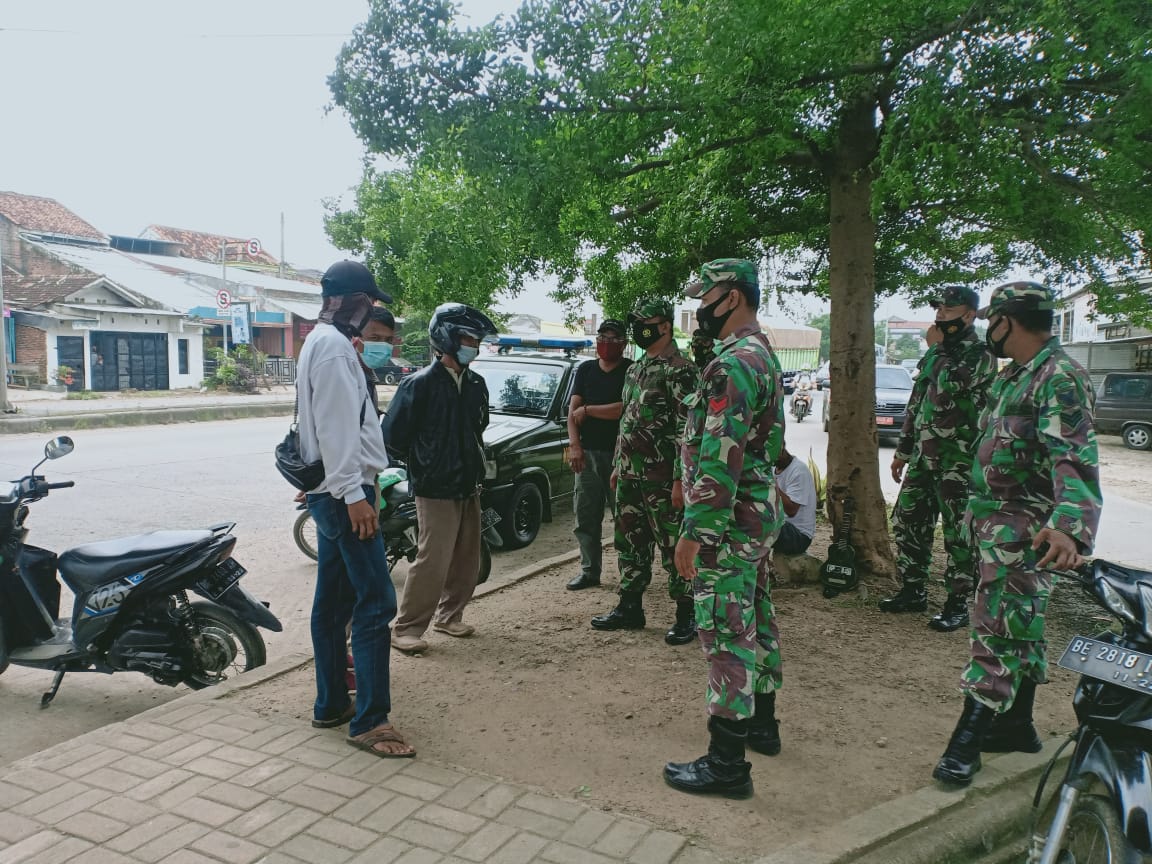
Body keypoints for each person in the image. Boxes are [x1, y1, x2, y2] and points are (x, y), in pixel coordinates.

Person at [933, 281, 1102, 787]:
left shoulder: (1059, 377)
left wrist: (1071, 529)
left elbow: (1073, 456)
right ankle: (1019, 726)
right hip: (999, 523)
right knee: (1020, 624)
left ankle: (965, 745)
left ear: (1008, 320)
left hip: (1025, 528)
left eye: (992, 320)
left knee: (996, 629)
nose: (988, 329)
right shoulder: (1018, 376)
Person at [665, 258, 785, 799]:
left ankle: (727, 763)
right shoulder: (760, 354)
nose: (699, 307)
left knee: (725, 630)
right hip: (752, 520)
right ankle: (762, 724)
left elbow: (720, 457)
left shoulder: (733, 363)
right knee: (756, 617)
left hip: (729, 525)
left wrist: (696, 530)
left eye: (706, 295)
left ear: (732, 296)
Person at [296, 260, 414, 758]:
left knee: (333, 601)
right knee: (377, 603)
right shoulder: (333, 348)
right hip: (345, 494)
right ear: (350, 301)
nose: (372, 310)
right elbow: (337, 428)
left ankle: (330, 703)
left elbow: (326, 425)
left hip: (333, 491)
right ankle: (370, 719)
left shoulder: (323, 344)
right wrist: (354, 496)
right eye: (368, 301)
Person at [879, 285, 997, 632]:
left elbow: (950, 385)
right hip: (923, 458)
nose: (941, 314)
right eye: (939, 308)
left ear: (970, 314)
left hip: (959, 462)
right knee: (907, 522)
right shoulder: (936, 353)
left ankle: (956, 603)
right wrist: (903, 450)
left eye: (949, 309)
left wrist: (936, 348)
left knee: (959, 535)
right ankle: (913, 590)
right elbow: (917, 403)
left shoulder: (980, 353)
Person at [381, 303, 496, 654]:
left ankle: (450, 616)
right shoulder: (419, 384)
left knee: (467, 557)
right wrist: (426, 463)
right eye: (467, 338)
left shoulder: (476, 384)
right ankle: (406, 628)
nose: (473, 346)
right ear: (446, 338)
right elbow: (392, 437)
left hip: (468, 482)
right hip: (434, 488)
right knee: (433, 558)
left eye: (476, 340)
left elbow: (479, 428)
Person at [590, 299, 699, 644]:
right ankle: (630, 608)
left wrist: (682, 480)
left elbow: (688, 429)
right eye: (635, 322)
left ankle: (687, 613)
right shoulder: (637, 368)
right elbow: (628, 420)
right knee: (629, 542)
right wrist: (617, 466)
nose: (639, 328)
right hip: (630, 475)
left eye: (645, 322)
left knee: (672, 547)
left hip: (664, 479)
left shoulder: (680, 369)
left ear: (665, 325)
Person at [566, 319, 632, 591]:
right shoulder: (585, 370)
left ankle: (630, 575)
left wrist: (590, 410)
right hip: (588, 455)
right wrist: (575, 446)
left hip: (621, 456)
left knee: (625, 519)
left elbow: (625, 408)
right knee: (585, 517)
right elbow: (573, 411)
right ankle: (589, 571)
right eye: (602, 336)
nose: (606, 342)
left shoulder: (630, 371)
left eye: (613, 337)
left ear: (624, 343)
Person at [353, 306, 397, 415]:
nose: (383, 345)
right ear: (356, 338)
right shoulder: (349, 378)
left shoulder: (368, 376)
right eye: (375, 338)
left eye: (388, 340)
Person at [772, 447, 816, 555]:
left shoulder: (799, 471)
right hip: (782, 527)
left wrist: (771, 483)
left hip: (798, 537)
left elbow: (791, 510)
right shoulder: (772, 469)